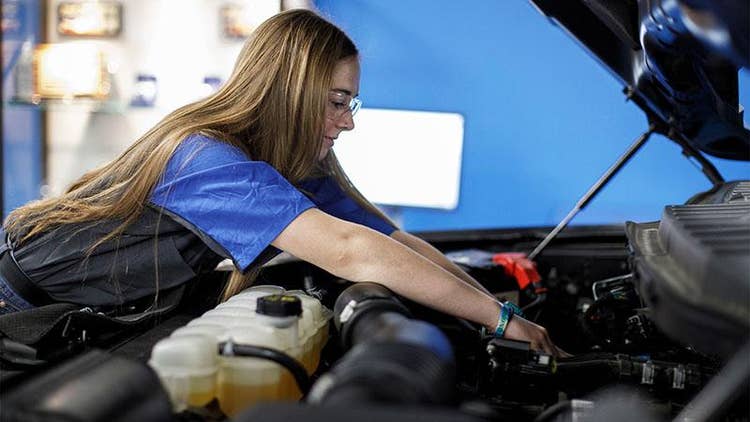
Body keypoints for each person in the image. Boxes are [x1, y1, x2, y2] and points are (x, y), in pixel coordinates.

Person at [0, 9, 566, 357]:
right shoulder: (210, 159)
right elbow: (351, 250)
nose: (349, 120)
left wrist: (497, 309)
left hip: (87, 312)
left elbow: (390, 243)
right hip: (18, 308)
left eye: (353, 102)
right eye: (338, 101)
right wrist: (501, 320)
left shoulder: (288, 168)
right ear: (293, 91)